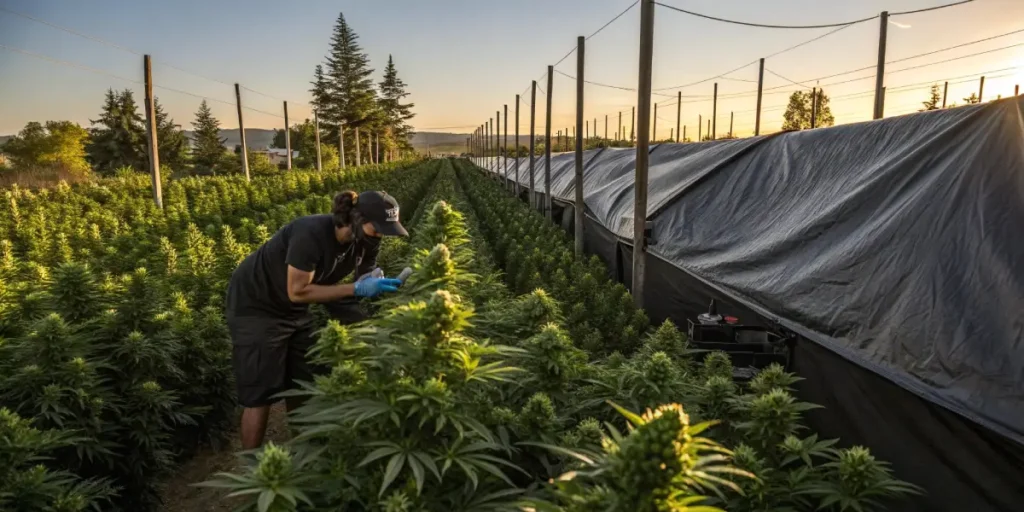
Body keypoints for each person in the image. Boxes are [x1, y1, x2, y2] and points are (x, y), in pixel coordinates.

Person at [225, 190, 407, 449]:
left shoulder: (366, 239)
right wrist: (355, 288)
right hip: (256, 306)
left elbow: (363, 277)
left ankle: (302, 447)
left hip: (295, 308)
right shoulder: (310, 233)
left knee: (303, 378)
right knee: (260, 392)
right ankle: (251, 470)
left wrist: (377, 289)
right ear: (355, 219)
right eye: (376, 229)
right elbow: (298, 291)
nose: (380, 235)